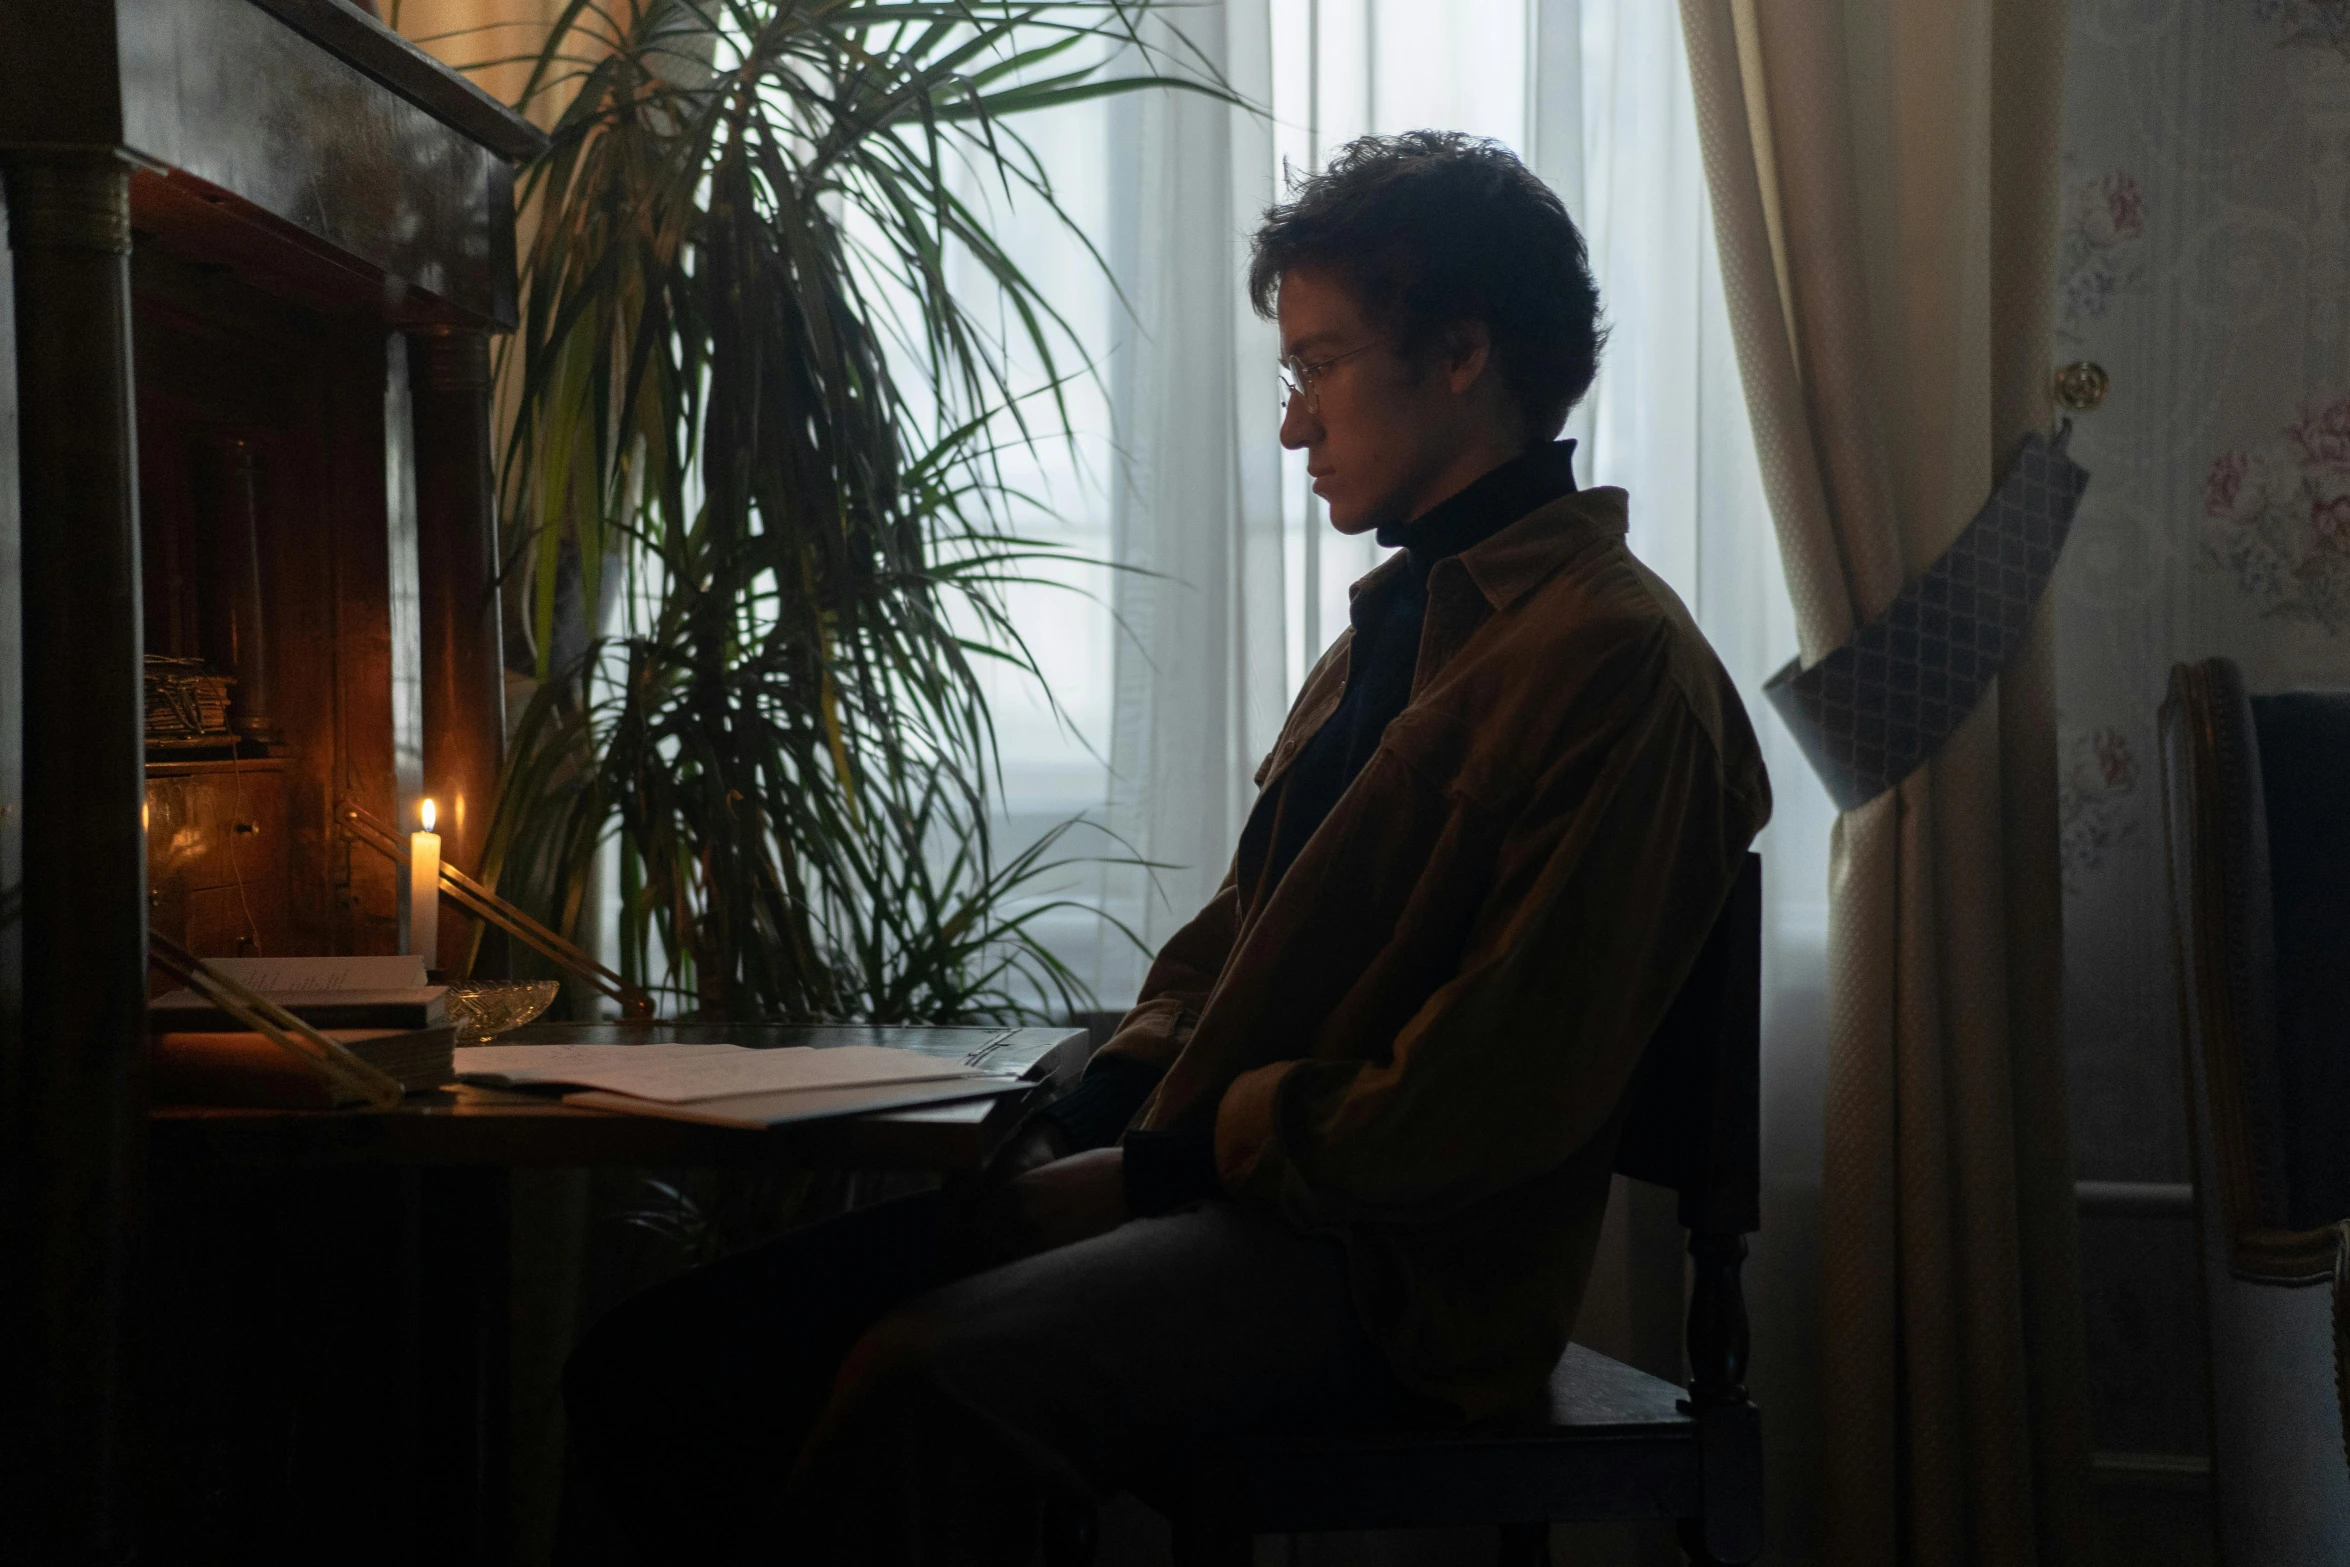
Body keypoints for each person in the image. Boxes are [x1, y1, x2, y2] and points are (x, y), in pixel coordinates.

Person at [561, 129, 1771, 1566]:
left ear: (1459, 354)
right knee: (665, 1353)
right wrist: (1100, 1101)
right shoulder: (1402, 618)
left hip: (1396, 1273)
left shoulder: (1617, 662)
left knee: (926, 1377)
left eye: (1317, 367)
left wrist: (1149, 1172)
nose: (1290, 426)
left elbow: (1482, 1098)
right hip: (1235, 1188)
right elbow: (1240, 933)